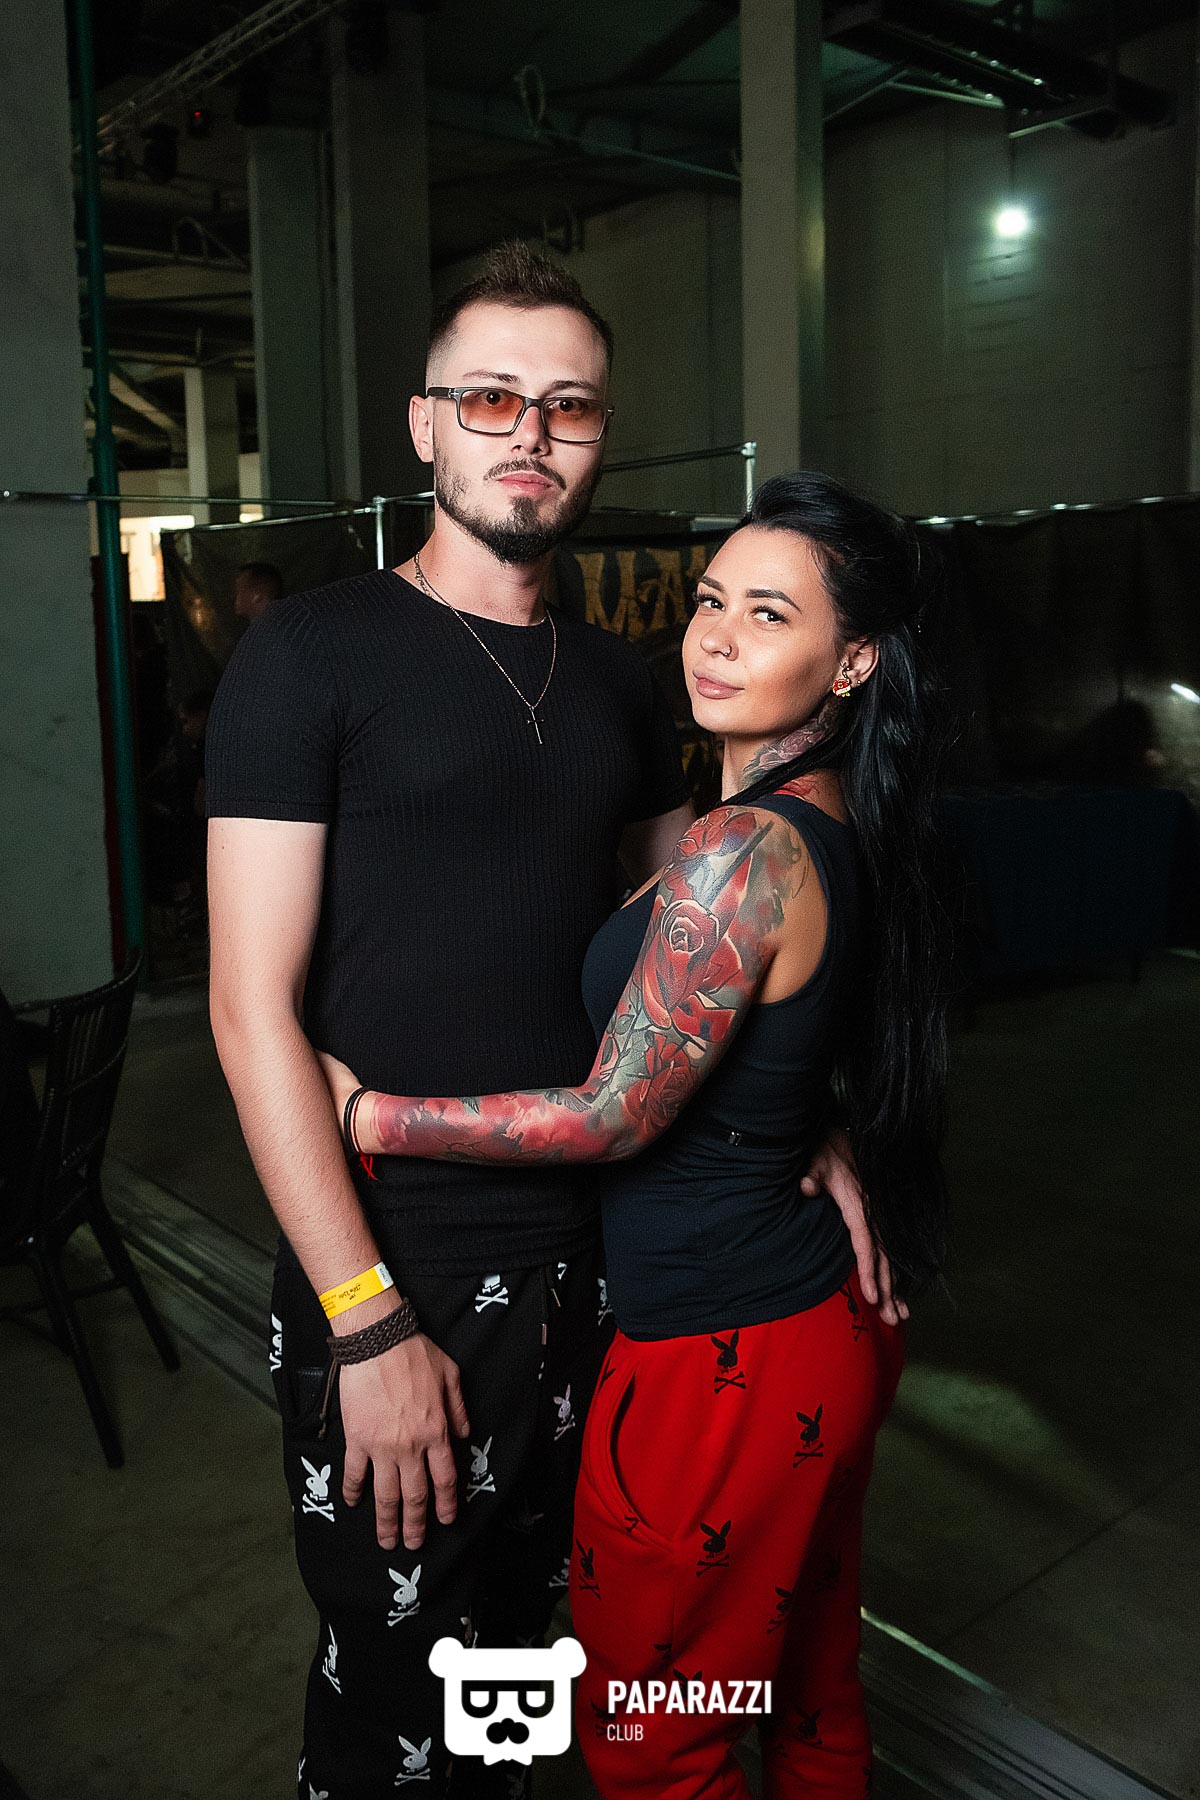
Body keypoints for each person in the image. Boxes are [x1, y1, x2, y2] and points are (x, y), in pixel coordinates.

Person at [205, 240, 870, 1799]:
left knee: (526, 1674)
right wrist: (367, 1322)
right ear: (425, 423)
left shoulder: (630, 685)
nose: (531, 433)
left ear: (599, 435)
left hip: (609, 1271)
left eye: (568, 406)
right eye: (491, 397)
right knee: (393, 1693)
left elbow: (692, 956)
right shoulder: (311, 656)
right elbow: (246, 1008)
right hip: (403, 1261)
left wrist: (801, 1117)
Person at [318, 471, 950, 1799]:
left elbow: (611, 1114)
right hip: (806, 1326)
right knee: (807, 1690)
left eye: (769, 615)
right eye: (712, 601)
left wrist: (367, 1114)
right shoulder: (807, 819)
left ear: (852, 663)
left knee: (653, 1735)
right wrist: (805, 1127)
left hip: (725, 1357)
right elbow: (773, 1035)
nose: (715, 637)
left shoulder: (743, 855)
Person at [232, 558, 284, 622]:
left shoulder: (273, 626)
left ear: (257, 594)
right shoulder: (286, 619)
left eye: (239, 590)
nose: (234, 596)